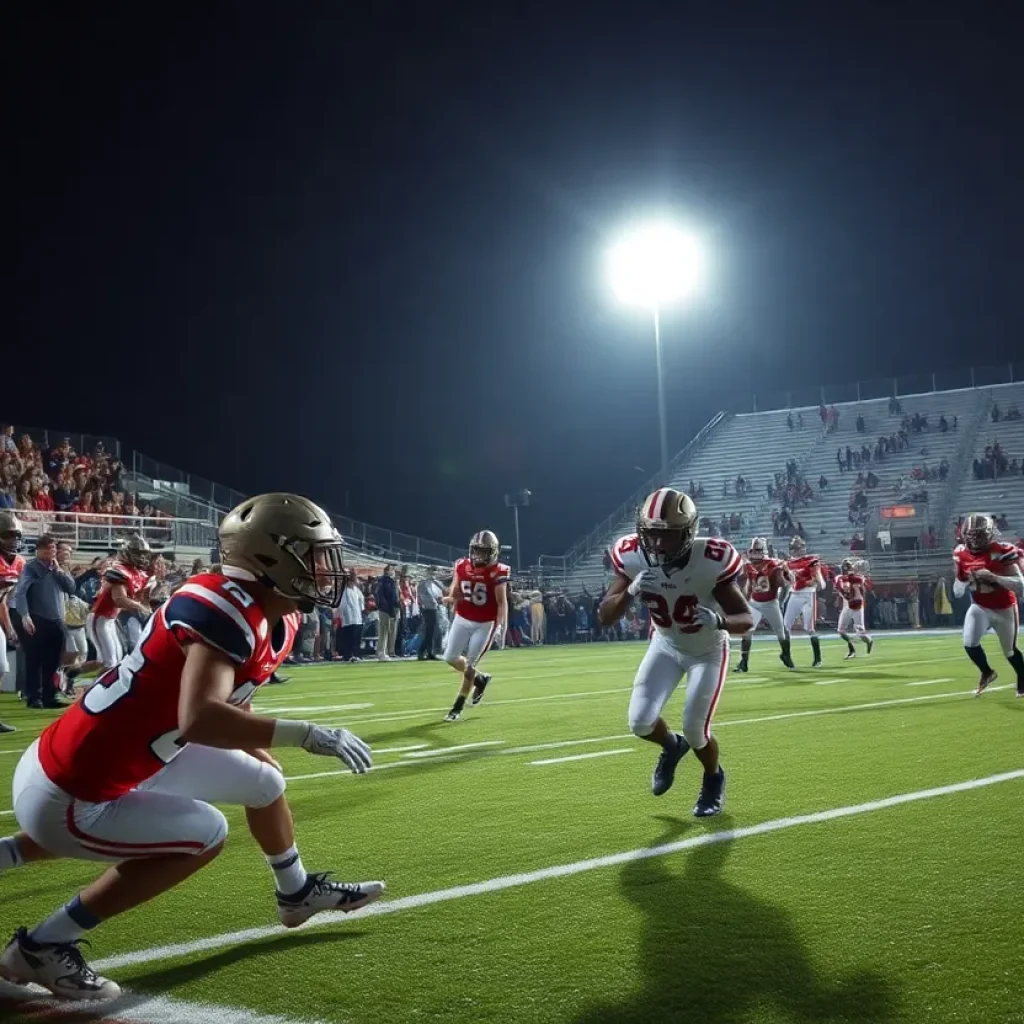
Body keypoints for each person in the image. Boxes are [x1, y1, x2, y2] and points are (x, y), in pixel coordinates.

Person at [0, 493, 383, 1001]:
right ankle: (42, 945)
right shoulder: (223, 608)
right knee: (205, 833)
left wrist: (253, 739)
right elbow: (200, 717)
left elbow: (228, 699)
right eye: (312, 554)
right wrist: (306, 733)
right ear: (270, 558)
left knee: (263, 781)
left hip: (119, 754)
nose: (325, 568)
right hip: (73, 789)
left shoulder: (277, 614)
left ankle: (295, 892)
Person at [599, 488, 751, 817]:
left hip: (706, 651)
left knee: (697, 729)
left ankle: (713, 779)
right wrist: (630, 592)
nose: (655, 544)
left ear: (687, 533)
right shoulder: (632, 556)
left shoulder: (711, 559)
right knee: (640, 722)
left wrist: (720, 620)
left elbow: (747, 619)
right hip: (665, 643)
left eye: (665, 535)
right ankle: (671, 745)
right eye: (650, 534)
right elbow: (605, 616)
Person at [953, 513, 1024, 696]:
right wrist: (963, 583)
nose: (975, 539)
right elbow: (958, 588)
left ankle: (1023, 681)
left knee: (1009, 650)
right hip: (980, 606)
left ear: (990, 533)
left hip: (1004, 607)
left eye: (979, 535)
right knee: (969, 642)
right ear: (964, 534)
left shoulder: (1001, 550)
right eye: (971, 535)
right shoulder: (961, 552)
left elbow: (1020, 584)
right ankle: (987, 672)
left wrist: (993, 577)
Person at [442, 530, 508, 721]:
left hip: (485, 623)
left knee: (470, 665)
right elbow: (455, 591)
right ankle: (481, 679)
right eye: (476, 551)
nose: (478, 555)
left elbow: (502, 602)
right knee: (450, 657)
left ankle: (457, 707)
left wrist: (501, 627)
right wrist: (448, 598)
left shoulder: (498, 571)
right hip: (462, 617)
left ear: (493, 552)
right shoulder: (461, 565)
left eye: (483, 552)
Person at [11, 534, 76, 710]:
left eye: (54, 548)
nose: (52, 552)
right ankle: (34, 697)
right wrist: (25, 615)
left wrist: (59, 571)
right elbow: (21, 592)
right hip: (37, 617)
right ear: (39, 550)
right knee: (35, 659)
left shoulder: (59, 568)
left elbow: (71, 588)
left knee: (54, 660)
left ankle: (50, 695)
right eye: (48, 548)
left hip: (57, 619)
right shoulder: (31, 568)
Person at [78, 535, 153, 676]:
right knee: (110, 663)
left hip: (110, 619)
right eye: (138, 553)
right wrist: (140, 607)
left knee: (112, 662)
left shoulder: (135, 572)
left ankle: (67, 673)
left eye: (144, 554)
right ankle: (97, 693)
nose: (142, 557)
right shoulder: (119, 570)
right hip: (100, 617)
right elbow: (120, 599)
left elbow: (135, 597)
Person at [736, 537, 793, 673]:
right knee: (747, 632)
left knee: (781, 632)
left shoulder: (774, 565)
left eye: (757, 550)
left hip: (770, 602)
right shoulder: (748, 565)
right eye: (752, 550)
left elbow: (784, 584)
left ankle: (786, 655)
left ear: (763, 551)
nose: (754, 553)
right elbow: (746, 582)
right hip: (754, 602)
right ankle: (744, 663)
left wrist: (781, 599)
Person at [782, 536, 825, 667]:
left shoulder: (811, 561)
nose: (798, 550)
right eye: (796, 548)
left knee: (809, 628)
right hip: (794, 594)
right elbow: (787, 581)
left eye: (800, 547)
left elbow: (817, 581)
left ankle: (817, 659)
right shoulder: (788, 563)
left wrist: (804, 582)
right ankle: (787, 656)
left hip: (808, 594)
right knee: (785, 627)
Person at [0, 511, 25, 731]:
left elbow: (4, 599)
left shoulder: (18, 563)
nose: (13, 541)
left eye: (16, 536)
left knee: (0, 666)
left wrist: (9, 626)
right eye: (8, 536)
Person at [835, 558, 874, 659]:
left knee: (861, 633)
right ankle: (852, 649)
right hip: (847, 606)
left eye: (847, 568)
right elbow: (842, 590)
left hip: (857, 606)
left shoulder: (858, 578)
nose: (846, 570)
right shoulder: (840, 578)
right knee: (841, 631)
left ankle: (869, 641)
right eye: (845, 568)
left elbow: (861, 590)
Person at [417, 566, 443, 660]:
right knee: (429, 631)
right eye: (432, 571)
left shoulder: (434, 583)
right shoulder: (423, 583)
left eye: (435, 571)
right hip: (428, 609)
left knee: (432, 631)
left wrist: (439, 600)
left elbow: (438, 595)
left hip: (434, 608)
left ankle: (429, 651)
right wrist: (435, 601)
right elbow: (425, 596)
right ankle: (422, 651)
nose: (434, 574)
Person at [374, 564, 399, 661]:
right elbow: (383, 596)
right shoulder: (383, 581)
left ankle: (388, 651)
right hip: (385, 609)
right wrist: (386, 608)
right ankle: (381, 652)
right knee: (383, 631)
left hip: (391, 608)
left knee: (389, 631)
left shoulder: (391, 582)